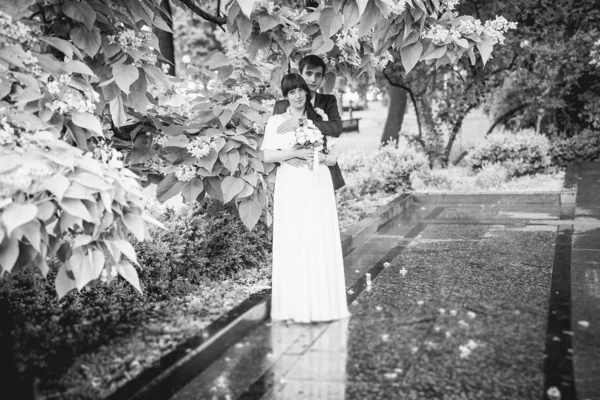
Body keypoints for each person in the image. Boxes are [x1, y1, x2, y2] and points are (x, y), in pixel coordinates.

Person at [260, 73, 350, 323]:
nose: (298, 95)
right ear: (285, 95)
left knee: (318, 236)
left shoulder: (319, 119)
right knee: (295, 238)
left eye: (301, 90)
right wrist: (289, 154)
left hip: (317, 181)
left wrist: (317, 156)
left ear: (307, 92)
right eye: (292, 92)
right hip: (291, 182)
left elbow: (332, 157)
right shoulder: (277, 120)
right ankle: (294, 307)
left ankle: (322, 305)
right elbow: (267, 156)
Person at [272, 55, 345, 191]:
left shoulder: (328, 101)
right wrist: (286, 158)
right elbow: (273, 144)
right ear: (300, 75)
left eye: (318, 75)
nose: (313, 79)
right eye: (309, 73)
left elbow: (336, 128)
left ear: (323, 79)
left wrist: (303, 123)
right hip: (293, 173)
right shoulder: (281, 106)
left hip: (323, 171)